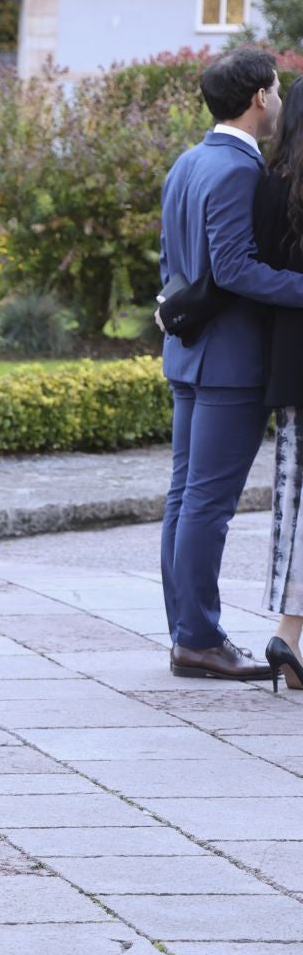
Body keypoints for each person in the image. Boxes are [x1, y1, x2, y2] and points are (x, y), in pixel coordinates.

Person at [160, 45, 298, 683]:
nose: (277, 99)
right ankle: (199, 639)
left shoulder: (189, 161)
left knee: (185, 499)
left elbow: (175, 269)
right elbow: (236, 270)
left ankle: (190, 633)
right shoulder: (240, 171)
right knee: (206, 505)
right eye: (273, 89)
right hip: (230, 361)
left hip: (189, 354)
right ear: (257, 99)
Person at [251, 75, 303, 691]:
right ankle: (288, 636)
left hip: (291, 362)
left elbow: (258, 270)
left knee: (291, 500)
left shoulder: (271, 184)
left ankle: (288, 635)